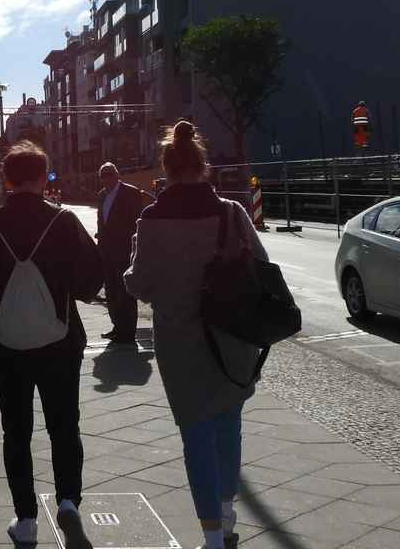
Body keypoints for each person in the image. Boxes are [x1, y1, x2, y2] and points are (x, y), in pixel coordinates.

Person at [123, 121, 268, 549]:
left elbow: (139, 284)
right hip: (232, 338)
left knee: (196, 434)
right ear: (203, 165)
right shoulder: (232, 213)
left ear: (166, 169)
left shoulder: (151, 219)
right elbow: (261, 266)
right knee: (229, 423)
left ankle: (212, 536)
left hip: (179, 343)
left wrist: (140, 268)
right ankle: (226, 513)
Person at [0, 141, 102, 549]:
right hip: (61, 342)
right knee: (64, 424)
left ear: (6, 179)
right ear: (43, 177)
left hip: (7, 344)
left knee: (16, 430)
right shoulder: (64, 222)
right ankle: (68, 501)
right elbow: (91, 281)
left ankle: (25, 521)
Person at [96, 162, 152, 345]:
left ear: (117, 175)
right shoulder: (102, 196)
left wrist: (136, 247)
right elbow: (101, 223)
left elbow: (138, 222)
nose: (106, 178)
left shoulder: (130, 192)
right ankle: (117, 327)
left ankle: (128, 331)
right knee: (111, 291)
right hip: (107, 251)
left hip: (125, 250)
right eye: (103, 175)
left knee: (125, 292)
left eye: (109, 174)